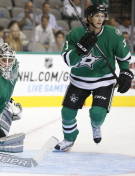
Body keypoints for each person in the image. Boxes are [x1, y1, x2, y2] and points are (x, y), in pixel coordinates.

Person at [55, 4, 134, 152]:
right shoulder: (74, 34)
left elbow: (124, 58)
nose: (100, 19)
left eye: (102, 16)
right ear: (89, 17)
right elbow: (68, 61)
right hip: (79, 80)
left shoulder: (113, 34)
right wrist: (80, 49)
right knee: (67, 112)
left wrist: (125, 73)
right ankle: (69, 138)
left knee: (97, 114)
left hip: (104, 80)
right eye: (97, 15)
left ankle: (96, 125)